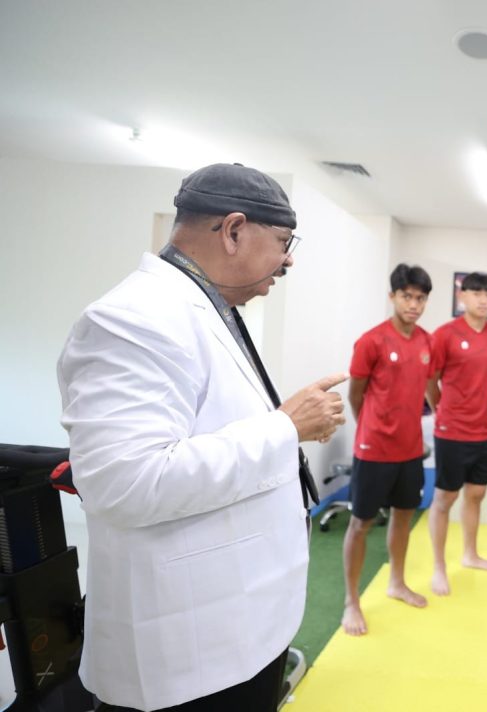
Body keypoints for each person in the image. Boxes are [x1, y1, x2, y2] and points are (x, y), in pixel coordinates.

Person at [57, 163, 347, 711]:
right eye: (284, 242)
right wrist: (286, 427)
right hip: (186, 656)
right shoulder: (132, 319)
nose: (289, 260)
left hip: (239, 628)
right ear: (234, 231)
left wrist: (285, 428)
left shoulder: (210, 307)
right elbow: (126, 483)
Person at [342, 264, 433, 635]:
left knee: (403, 516)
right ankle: (352, 600)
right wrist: (370, 426)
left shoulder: (426, 341)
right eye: (407, 296)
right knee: (361, 523)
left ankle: (396, 582)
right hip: (373, 449)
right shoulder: (372, 340)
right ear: (393, 296)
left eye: (421, 298)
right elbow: (356, 393)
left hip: (410, 450)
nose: (414, 304)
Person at [425, 272, 487, 596]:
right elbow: (432, 379)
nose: (484, 299)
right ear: (463, 296)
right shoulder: (445, 334)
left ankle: (470, 554)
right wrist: (442, 409)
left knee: (476, 495)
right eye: (477, 293)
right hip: (452, 431)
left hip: (485, 431)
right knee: (445, 498)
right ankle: (439, 566)